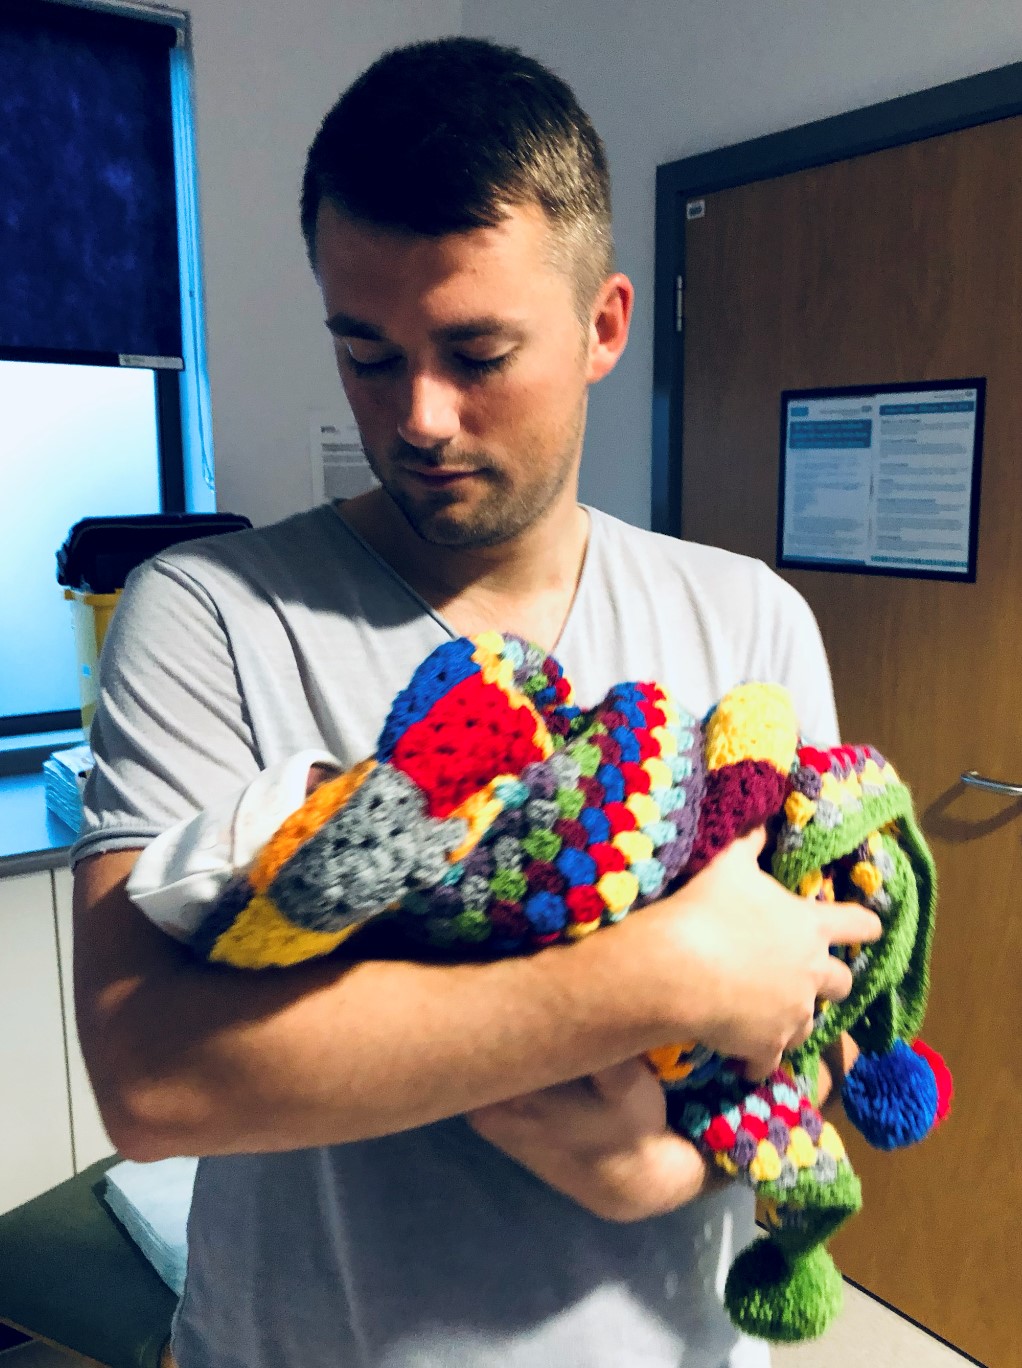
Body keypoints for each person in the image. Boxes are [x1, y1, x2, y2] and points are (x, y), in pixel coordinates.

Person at [72, 35, 881, 1368]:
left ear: (604, 325)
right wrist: (645, 977)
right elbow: (154, 1082)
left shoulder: (745, 619)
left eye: (475, 351)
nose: (420, 416)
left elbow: (813, 1011)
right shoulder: (205, 612)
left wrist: (663, 1181)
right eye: (367, 353)